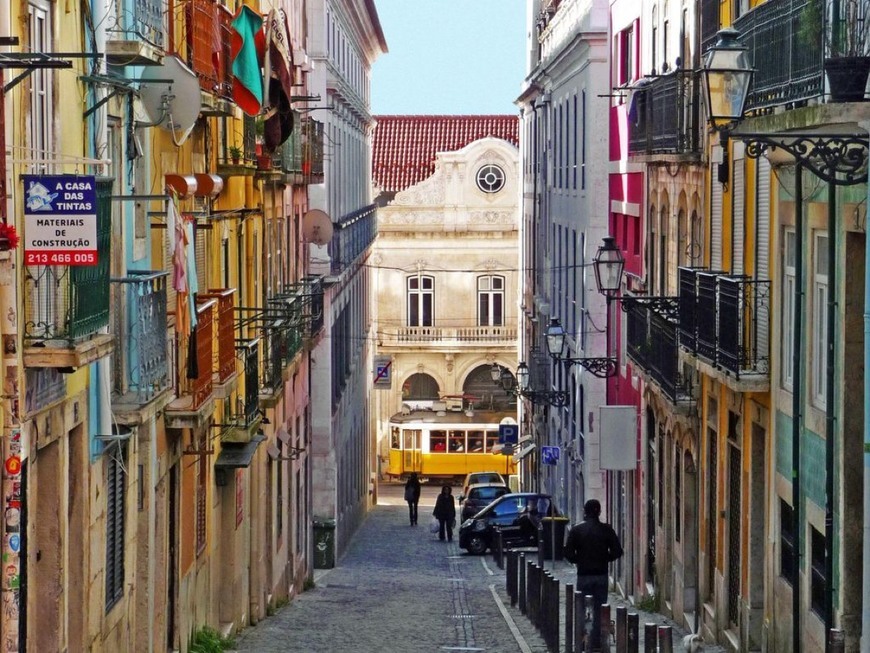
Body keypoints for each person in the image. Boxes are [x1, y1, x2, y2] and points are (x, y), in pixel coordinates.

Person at [563, 499, 623, 652]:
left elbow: (568, 554)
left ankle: (584, 641)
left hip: (584, 575)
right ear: (599, 512)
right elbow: (617, 551)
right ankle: (597, 641)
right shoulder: (606, 530)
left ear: (585, 511)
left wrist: (580, 560)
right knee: (599, 609)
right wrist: (605, 558)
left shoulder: (576, 530)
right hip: (601, 575)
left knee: (583, 609)